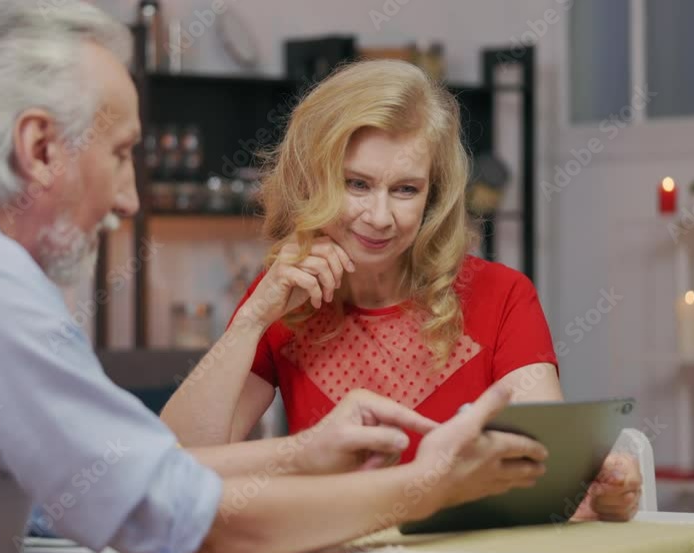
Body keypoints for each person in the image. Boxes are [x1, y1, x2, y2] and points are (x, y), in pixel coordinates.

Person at [0, 2, 555, 553]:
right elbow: (182, 520)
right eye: (121, 154)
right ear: (39, 147)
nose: (128, 200)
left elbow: (112, 473)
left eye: (406, 189)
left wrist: (297, 455)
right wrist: (425, 486)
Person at [160, 59, 642, 522]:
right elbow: (174, 468)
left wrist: (597, 493)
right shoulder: (283, 300)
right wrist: (251, 321)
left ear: (434, 196)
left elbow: (545, 471)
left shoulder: (501, 295)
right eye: (357, 184)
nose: (379, 217)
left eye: (406, 190)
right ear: (312, 181)